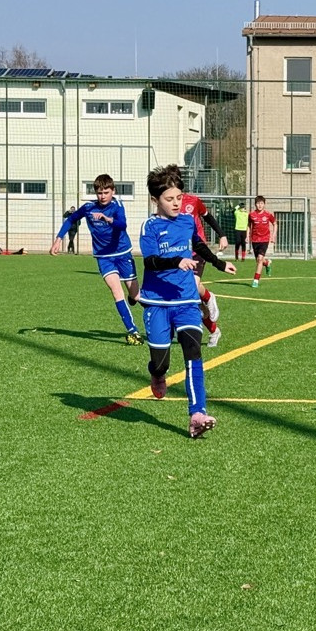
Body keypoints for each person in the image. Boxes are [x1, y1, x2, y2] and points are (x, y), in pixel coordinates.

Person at [138, 165, 236, 439]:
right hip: (157, 302)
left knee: (193, 353)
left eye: (179, 198)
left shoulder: (186, 221)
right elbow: (150, 261)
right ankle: (157, 374)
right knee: (160, 362)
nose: (176, 203)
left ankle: (197, 414)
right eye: (169, 199)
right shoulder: (150, 226)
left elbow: (198, 244)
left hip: (186, 300)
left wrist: (219, 263)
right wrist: (176, 261)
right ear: (155, 200)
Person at [50, 174, 143, 345]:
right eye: (99, 193)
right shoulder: (89, 208)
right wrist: (58, 239)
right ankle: (133, 331)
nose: (102, 196)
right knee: (116, 292)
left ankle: (161, 318)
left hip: (122, 254)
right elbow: (71, 219)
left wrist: (108, 219)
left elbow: (122, 224)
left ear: (113, 191)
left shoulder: (117, 206)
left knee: (136, 296)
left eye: (106, 192)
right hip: (104, 257)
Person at [176, 174, 229, 347]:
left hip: (197, 250)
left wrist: (222, 235)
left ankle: (208, 296)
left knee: (191, 286)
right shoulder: (165, 206)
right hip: (178, 254)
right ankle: (214, 330)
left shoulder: (193, 201)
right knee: (189, 297)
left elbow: (208, 217)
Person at [248, 195, 277, 288]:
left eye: (261, 203)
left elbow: (275, 223)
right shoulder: (251, 215)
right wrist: (247, 235)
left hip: (264, 239)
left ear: (264, 204)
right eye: (258, 203)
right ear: (255, 204)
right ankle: (267, 263)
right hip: (255, 240)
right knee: (259, 260)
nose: (259, 205)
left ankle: (255, 280)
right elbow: (249, 225)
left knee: (260, 259)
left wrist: (273, 235)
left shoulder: (268, 215)